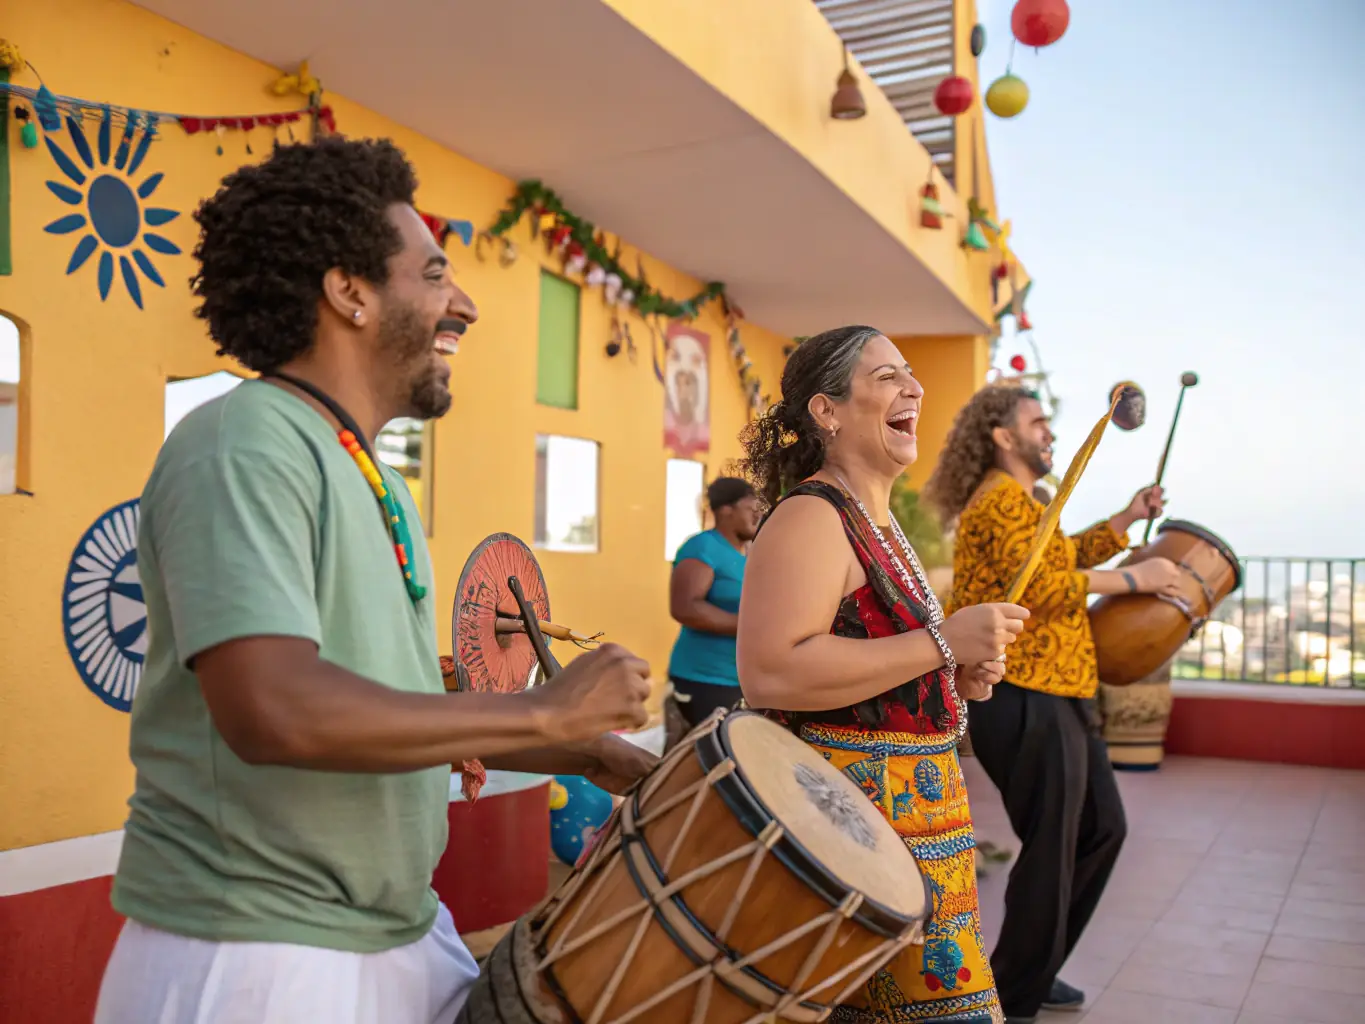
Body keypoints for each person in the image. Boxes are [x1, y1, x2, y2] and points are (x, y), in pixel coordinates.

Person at [93, 137, 658, 1024]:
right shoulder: (242, 441)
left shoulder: (371, 473)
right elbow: (274, 710)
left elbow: (379, 710)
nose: (461, 302)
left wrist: (590, 753)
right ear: (348, 292)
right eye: (434, 274)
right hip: (258, 956)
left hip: (389, 929)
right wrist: (542, 710)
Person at [736, 325, 1030, 1024]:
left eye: (910, 374)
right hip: (854, 835)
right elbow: (772, 674)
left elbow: (877, 667)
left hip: (915, 833)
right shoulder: (811, 515)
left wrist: (954, 675)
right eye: (886, 377)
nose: (913, 388)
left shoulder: (881, 523)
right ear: (826, 411)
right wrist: (940, 643)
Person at [923, 384, 1181, 1024]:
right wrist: (1134, 578)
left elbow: (1060, 557)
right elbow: (1040, 587)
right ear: (1003, 437)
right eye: (1037, 423)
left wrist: (1123, 520)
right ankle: (1013, 996)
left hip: (1056, 689)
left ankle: (1029, 968)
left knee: (1100, 829)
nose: (1050, 432)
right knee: (1052, 845)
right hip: (1023, 691)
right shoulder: (999, 500)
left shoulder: (1028, 502)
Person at [666, 476, 763, 728]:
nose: (757, 516)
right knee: (711, 759)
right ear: (725, 510)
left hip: (741, 680)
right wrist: (751, 629)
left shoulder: (753, 552)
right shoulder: (703, 547)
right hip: (706, 679)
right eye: (750, 509)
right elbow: (686, 607)